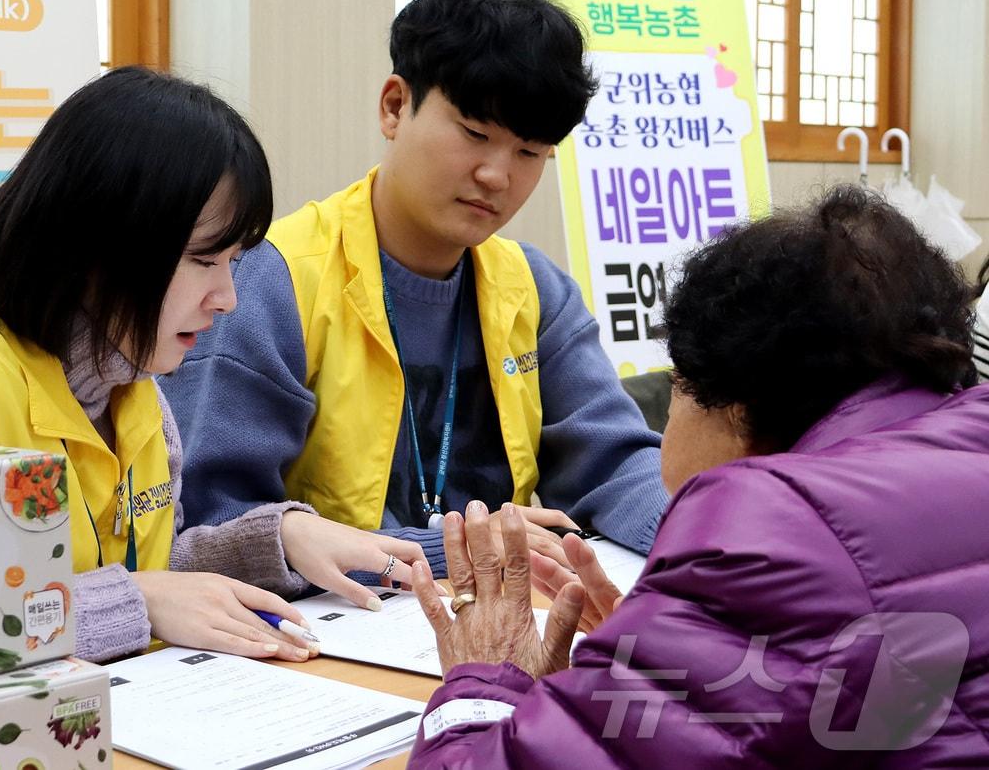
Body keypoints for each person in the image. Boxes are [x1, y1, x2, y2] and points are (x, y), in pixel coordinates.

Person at [0, 67, 426, 664]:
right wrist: (136, 605)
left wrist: (279, 538)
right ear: (97, 247)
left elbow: (148, 564)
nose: (226, 297)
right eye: (204, 261)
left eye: (232, 260)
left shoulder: (129, 377)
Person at [409, 185, 989, 766]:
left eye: (677, 381)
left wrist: (484, 680)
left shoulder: (773, 526)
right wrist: (669, 646)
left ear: (736, 401)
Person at [160, 0, 669, 575]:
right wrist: (448, 554)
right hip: (324, 637)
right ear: (395, 106)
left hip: (499, 614)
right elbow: (212, 520)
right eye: (475, 133)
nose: (498, 176)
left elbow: (613, 463)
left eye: (530, 153)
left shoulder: (534, 289)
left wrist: (710, 536)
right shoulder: (273, 281)